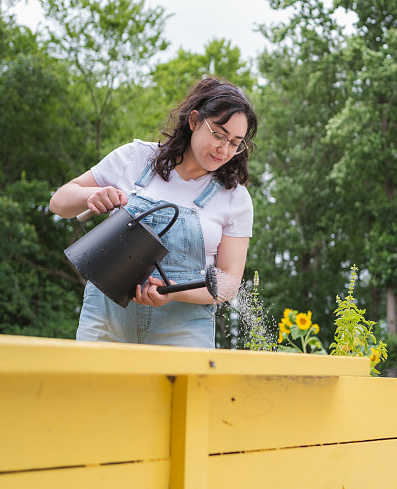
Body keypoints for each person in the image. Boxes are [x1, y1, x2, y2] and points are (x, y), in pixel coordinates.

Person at [49, 77, 258, 349]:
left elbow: (228, 282)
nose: (225, 150)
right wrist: (91, 195)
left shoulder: (234, 198)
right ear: (194, 121)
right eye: (219, 135)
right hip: (105, 323)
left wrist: (173, 292)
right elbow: (59, 202)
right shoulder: (134, 158)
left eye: (235, 143)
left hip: (183, 333)